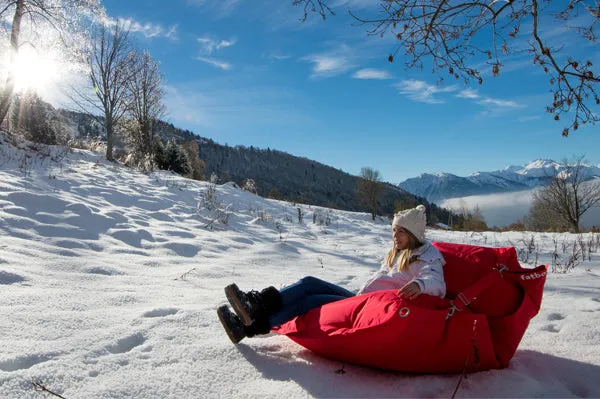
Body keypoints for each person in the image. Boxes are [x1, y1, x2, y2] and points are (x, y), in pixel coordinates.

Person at [217, 204, 446, 344]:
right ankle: (251, 309)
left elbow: (437, 283)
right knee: (308, 282)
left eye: (401, 232)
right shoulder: (397, 253)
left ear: (414, 235)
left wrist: (420, 286)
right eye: (394, 231)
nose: (395, 236)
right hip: (360, 300)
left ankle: (249, 324)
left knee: (309, 301)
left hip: (370, 309)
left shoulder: (427, 255)